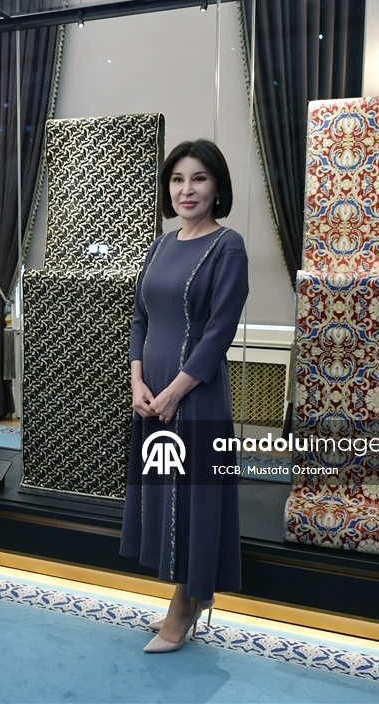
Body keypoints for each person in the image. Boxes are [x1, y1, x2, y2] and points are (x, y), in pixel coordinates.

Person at [120, 139, 248, 653]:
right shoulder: (161, 244)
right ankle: (188, 595)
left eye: (199, 178)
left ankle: (185, 606)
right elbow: (140, 318)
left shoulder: (228, 246)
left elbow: (219, 332)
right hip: (152, 396)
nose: (186, 189)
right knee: (164, 495)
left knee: (193, 497)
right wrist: (137, 382)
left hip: (194, 396)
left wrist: (174, 392)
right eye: (177, 179)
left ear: (217, 187)